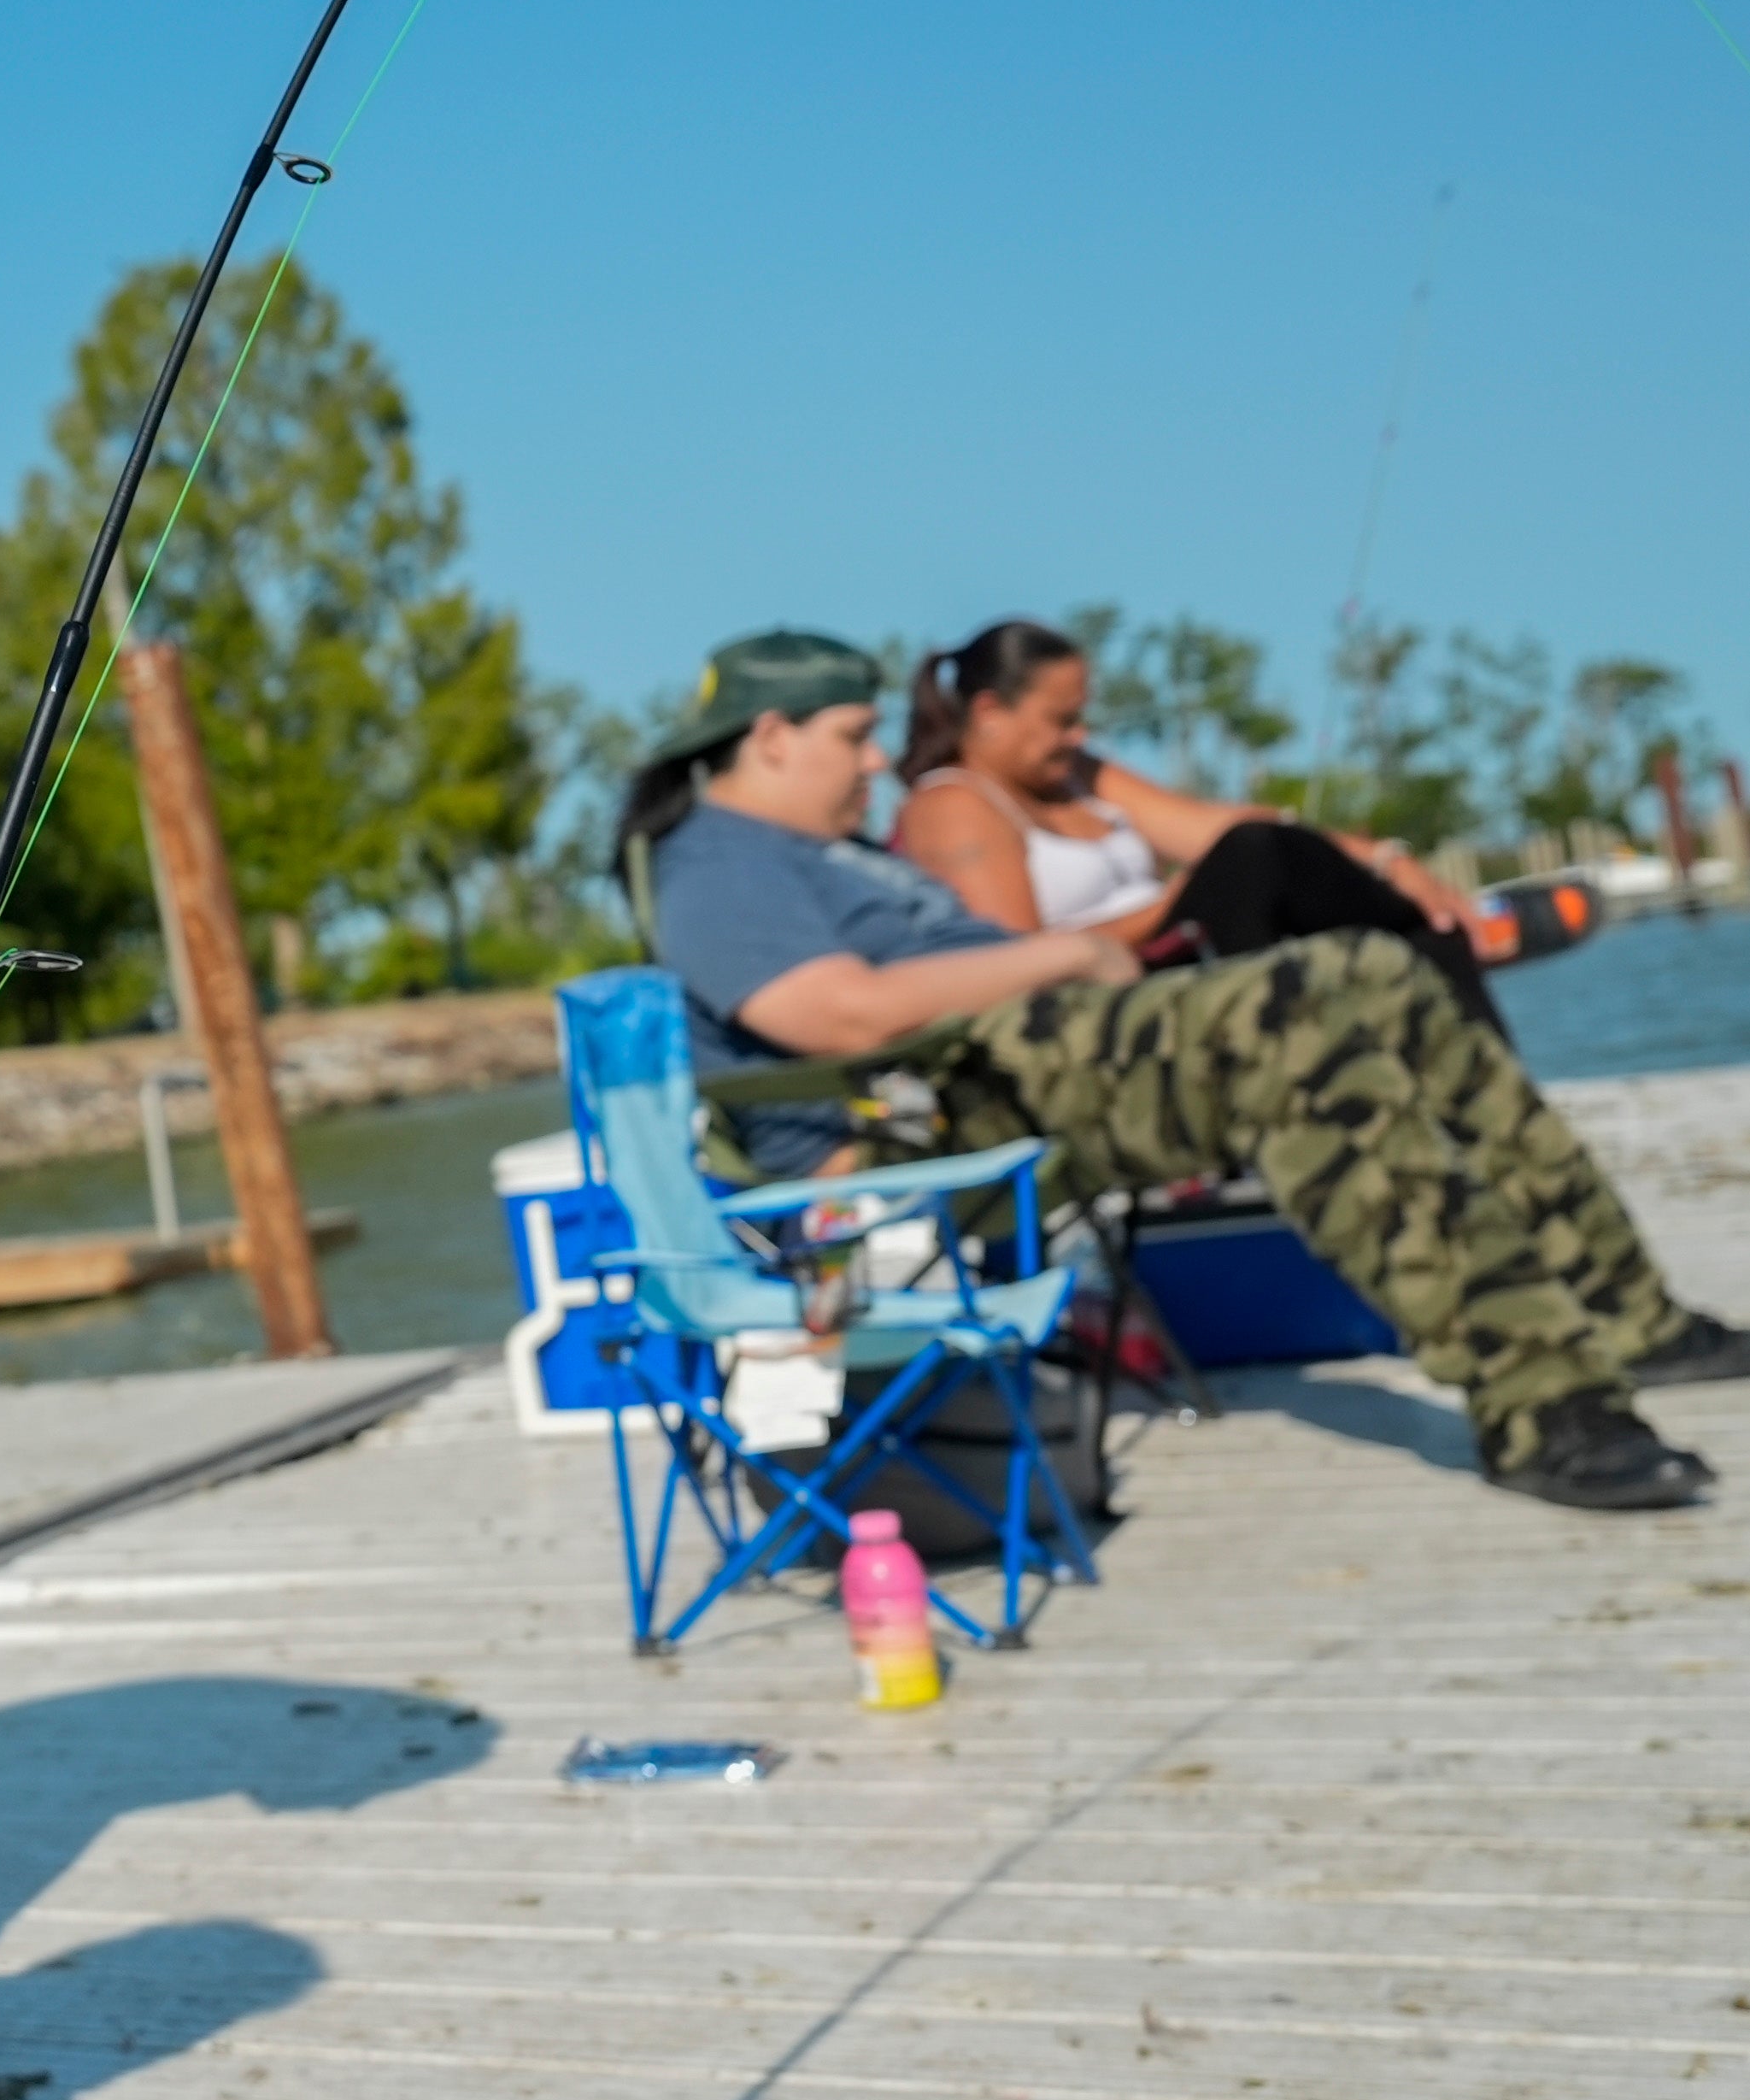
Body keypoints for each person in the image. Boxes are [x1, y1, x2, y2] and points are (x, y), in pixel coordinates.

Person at [619, 628, 1747, 1516]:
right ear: (769, 734)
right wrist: (1060, 951)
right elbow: (829, 1012)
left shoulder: (826, 852)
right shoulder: (713, 861)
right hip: (943, 1112)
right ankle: (1548, 1405)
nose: (876, 758)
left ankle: (1626, 1311)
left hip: (1026, 1061)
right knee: (1293, 1028)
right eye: (853, 735)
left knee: (1370, 969)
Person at [887, 617, 1506, 1029]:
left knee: (1268, 846)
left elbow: (1212, 826)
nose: (1079, 736)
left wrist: (1384, 860)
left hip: (1185, 958)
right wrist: (1171, 908)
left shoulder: (1077, 773)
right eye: (1061, 719)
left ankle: (1440, 940)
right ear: (991, 711)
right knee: (1250, 857)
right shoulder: (952, 805)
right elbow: (1016, 963)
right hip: (1109, 1006)